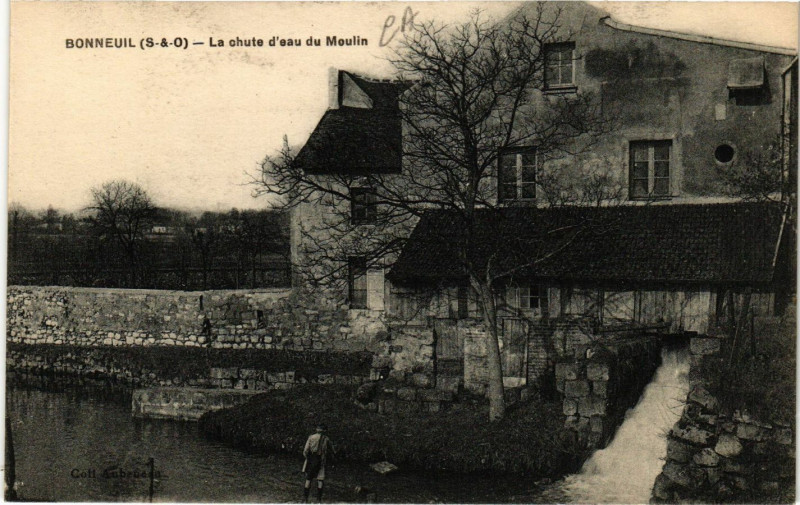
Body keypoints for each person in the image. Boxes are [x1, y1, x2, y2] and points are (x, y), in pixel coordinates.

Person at [301, 424, 335, 503]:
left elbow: (305, 450)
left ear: (317, 429)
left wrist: (308, 458)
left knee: (309, 478)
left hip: (311, 459)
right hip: (321, 460)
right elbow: (332, 450)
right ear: (324, 430)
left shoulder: (311, 437)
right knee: (320, 479)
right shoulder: (326, 439)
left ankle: (306, 498)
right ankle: (319, 500)